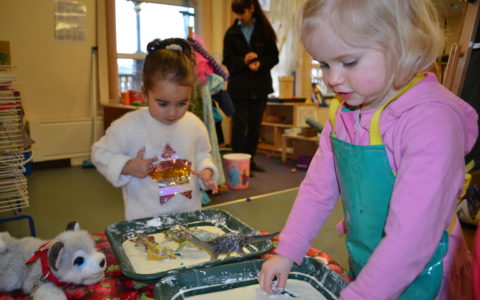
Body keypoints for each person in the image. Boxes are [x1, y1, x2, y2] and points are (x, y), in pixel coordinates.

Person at [258, 0, 478, 299]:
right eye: (323, 64)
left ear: (403, 47)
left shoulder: (432, 122)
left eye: (349, 62)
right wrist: (289, 250)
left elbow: (412, 237)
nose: (332, 79)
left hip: (427, 277)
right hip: (369, 267)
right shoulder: (343, 111)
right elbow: (317, 189)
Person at [91, 38, 218, 220]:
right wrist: (127, 166)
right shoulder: (127, 126)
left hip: (188, 218)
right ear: (145, 93)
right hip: (145, 223)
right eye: (163, 103)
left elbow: (202, 154)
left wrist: (207, 172)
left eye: (182, 103)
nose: (173, 113)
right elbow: (99, 153)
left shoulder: (194, 125)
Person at [222, 0, 279, 173]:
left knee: (255, 126)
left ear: (252, 9)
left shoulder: (265, 31)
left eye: (242, 12)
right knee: (239, 125)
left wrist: (260, 63)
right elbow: (228, 61)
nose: (239, 17)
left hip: (260, 88)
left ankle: (250, 161)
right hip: (238, 89)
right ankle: (238, 164)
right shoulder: (231, 33)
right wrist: (244, 61)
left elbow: (274, 58)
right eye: (237, 13)